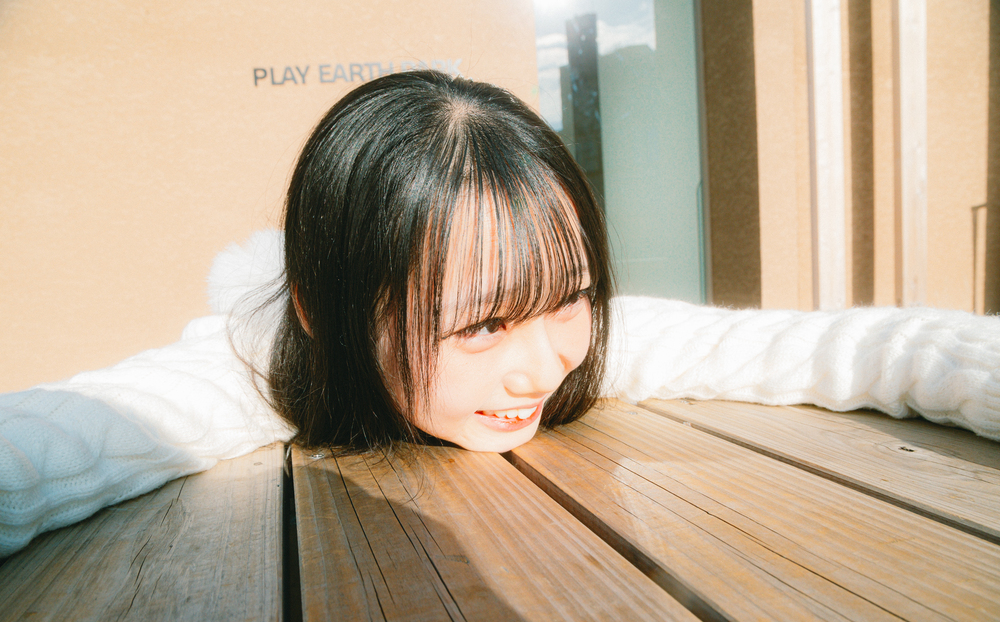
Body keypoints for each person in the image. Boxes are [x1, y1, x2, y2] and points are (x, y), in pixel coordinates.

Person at [1, 71, 998, 557]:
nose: (540, 366)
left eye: (571, 298)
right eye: (480, 327)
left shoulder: (572, 340)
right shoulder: (245, 365)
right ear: (322, 311)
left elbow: (850, 349)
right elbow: (49, 443)